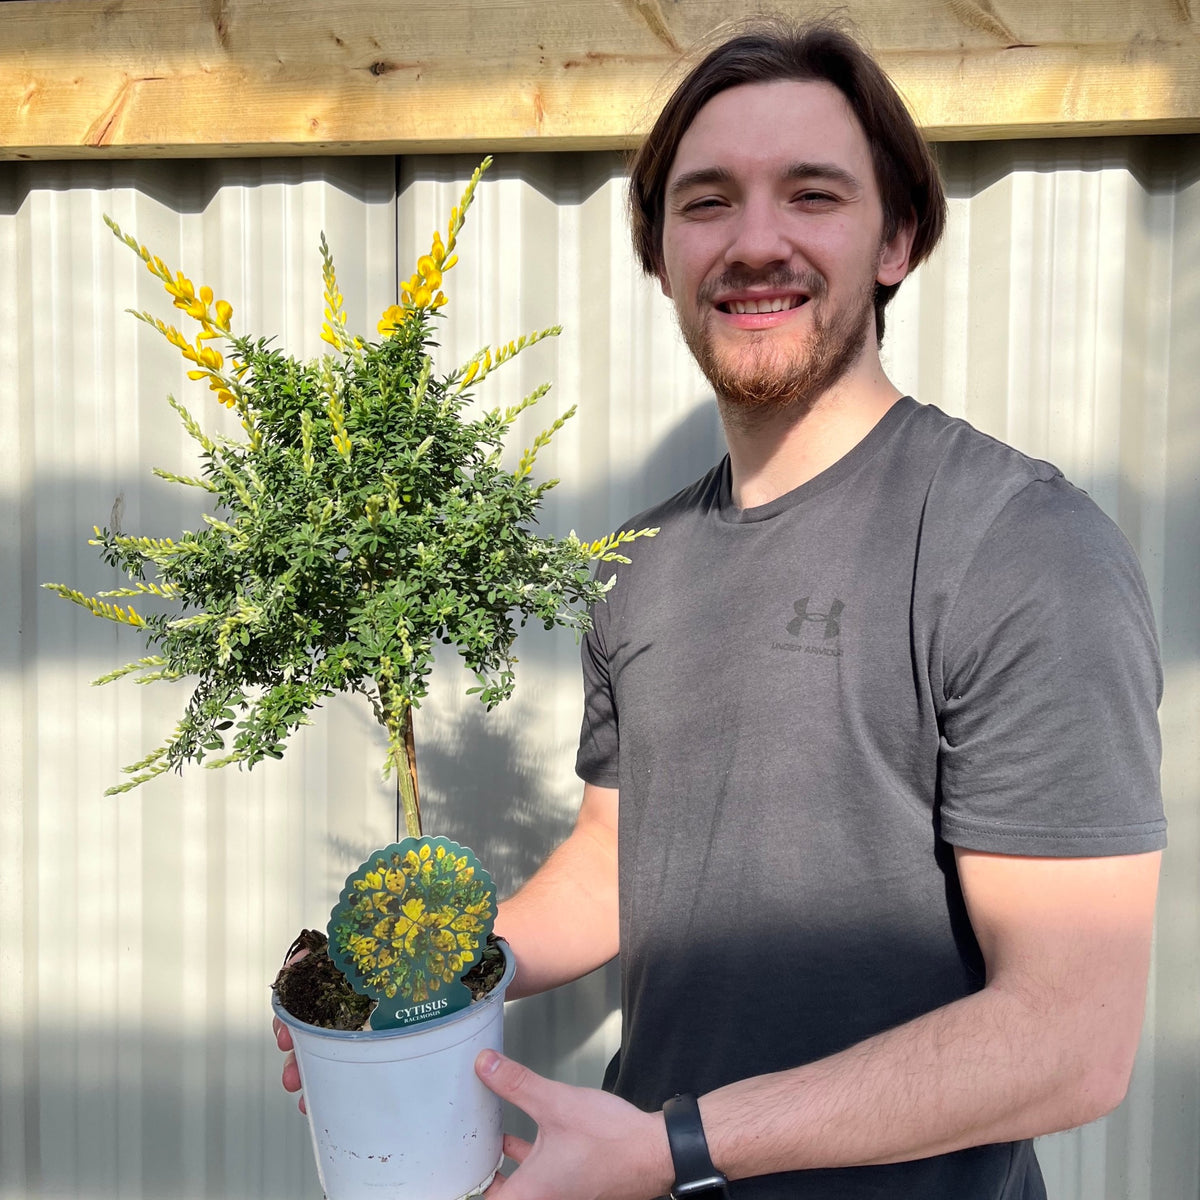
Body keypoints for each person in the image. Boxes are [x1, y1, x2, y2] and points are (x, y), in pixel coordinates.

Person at [277, 19, 1165, 1199]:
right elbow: (617, 852)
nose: (756, 243)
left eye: (811, 195)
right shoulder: (640, 561)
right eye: (706, 203)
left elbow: (1070, 1041)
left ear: (896, 236)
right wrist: (418, 973)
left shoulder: (1017, 548)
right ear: (658, 252)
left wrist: (672, 1147)